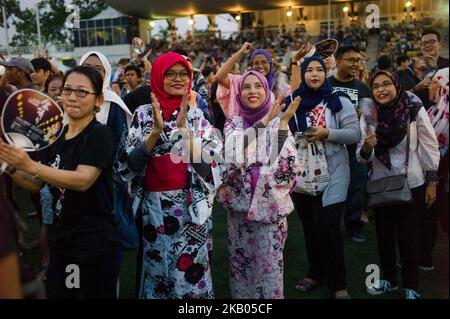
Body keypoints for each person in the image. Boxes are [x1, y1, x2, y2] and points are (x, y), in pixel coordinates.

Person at [0, 66, 123, 299]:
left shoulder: (99, 134)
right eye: (67, 90)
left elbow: (83, 179)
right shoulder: (57, 135)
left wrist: (31, 165)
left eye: (81, 92)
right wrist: (11, 165)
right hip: (63, 240)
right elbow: (36, 184)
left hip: (92, 244)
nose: (72, 97)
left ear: (98, 100)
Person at [118, 52, 224, 299]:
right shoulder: (143, 115)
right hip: (153, 209)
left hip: (190, 208)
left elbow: (211, 167)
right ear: (157, 76)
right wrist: (155, 132)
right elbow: (128, 166)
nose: (178, 79)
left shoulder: (197, 116)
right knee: (158, 271)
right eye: (170, 73)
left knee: (190, 271)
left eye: (183, 74)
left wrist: (184, 132)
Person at [216, 71, 300, 299]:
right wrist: (263, 126)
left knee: (270, 270)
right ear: (239, 93)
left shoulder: (278, 122)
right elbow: (232, 155)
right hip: (240, 212)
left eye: (258, 86)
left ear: (266, 90)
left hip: (269, 211)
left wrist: (282, 124)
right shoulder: (233, 122)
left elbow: (285, 164)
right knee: (241, 267)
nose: (252, 91)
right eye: (246, 87)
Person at [359, 70, 440, 299]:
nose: (381, 90)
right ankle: (389, 281)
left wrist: (432, 183)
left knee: (409, 237)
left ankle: (411, 286)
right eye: (376, 86)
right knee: (384, 236)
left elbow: (429, 145)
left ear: (396, 85)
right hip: (380, 183)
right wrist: (366, 147)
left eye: (386, 84)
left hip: (412, 182)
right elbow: (361, 156)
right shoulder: (368, 112)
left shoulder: (412, 108)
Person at [287, 56, 360, 299]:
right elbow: (281, 134)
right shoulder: (293, 102)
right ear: (303, 74)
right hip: (303, 174)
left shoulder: (338, 100)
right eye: (310, 70)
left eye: (320, 69)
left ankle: (339, 285)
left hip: (334, 173)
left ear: (326, 71)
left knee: (327, 226)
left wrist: (327, 133)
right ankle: (315, 273)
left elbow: (353, 134)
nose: (315, 74)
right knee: (310, 227)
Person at [328, 45, 372, 243]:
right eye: (351, 60)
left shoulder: (363, 88)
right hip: (330, 143)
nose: (356, 64)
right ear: (338, 62)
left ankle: (354, 225)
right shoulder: (325, 85)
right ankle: (330, 224)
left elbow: (370, 118)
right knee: (329, 185)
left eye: (358, 60)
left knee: (357, 185)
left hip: (355, 145)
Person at [419, 67, 449, 269]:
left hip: (442, 177)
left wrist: (436, 174)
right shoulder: (433, 110)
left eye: (432, 82)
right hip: (430, 175)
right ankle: (424, 256)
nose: (429, 86)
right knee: (427, 216)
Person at [412, 29, 449, 110]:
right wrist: (419, 86)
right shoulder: (411, 70)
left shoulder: (448, 65)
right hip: (421, 117)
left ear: (440, 44)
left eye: (432, 42)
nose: (428, 45)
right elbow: (406, 96)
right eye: (424, 43)